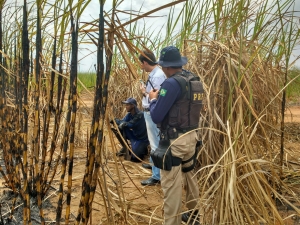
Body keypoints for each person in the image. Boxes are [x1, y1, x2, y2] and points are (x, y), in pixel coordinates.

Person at [148, 46, 203, 225]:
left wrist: (153, 99)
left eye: (163, 67)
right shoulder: (193, 79)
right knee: (190, 178)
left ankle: (172, 222)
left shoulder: (171, 83)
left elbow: (156, 115)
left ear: (166, 67)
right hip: (192, 138)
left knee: (171, 186)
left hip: (174, 142)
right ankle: (194, 217)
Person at [138, 49, 166, 186]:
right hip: (149, 112)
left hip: (152, 113)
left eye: (141, 64)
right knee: (154, 140)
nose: (140, 66)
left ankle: (156, 176)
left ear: (145, 62)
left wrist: (144, 92)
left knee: (155, 144)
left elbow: (157, 97)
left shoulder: (157, 76)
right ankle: (153, 164)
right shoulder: (156, 74)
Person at [111, 97, 149, 162]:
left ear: (133, 106)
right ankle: (125, 147)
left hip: (142, 139)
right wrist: (114, 120)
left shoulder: (140, 115)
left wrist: (121, 122)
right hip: (134, 136)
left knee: (135, 159)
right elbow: (123, 121)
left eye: (127, 105)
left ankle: (143, 149)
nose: (126, 107)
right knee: (119, 129)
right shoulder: (129, 114)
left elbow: (131, 124)